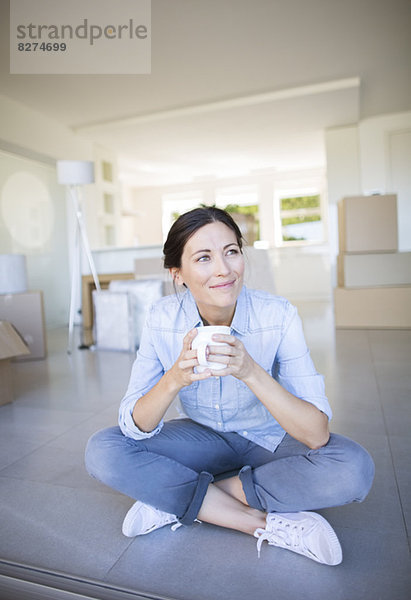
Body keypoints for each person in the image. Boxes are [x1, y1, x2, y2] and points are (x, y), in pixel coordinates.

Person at [85, 206, 374, 566]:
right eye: (204, 258)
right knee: (103, 449)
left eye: (231, 252)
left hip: (269, 438)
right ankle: (259, 522)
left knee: (354, 467)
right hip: (201, 437)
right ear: (178, 274)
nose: (224, 269)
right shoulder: (161, 319)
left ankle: (178, 500)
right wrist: (174, 378)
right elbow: (135, 423)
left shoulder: (278, 315)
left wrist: (251, 371)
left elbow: (316, 434)